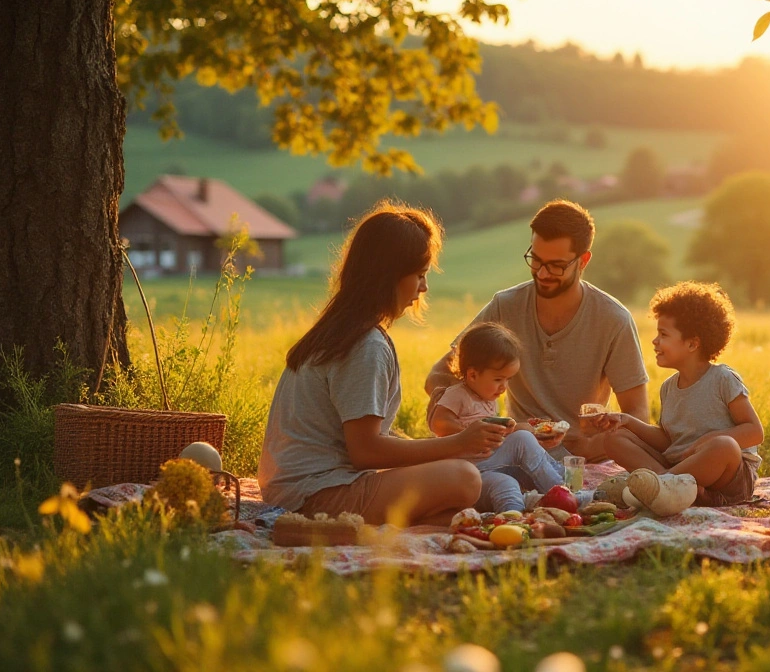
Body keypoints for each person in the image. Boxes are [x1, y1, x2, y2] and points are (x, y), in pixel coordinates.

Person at [258, 201, 502, 526]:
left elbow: (365, 440)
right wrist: (456, 444)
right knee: (466, 479)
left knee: (461, 511)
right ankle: (332, 529)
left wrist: (442, 446)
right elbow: (366, 452)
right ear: (388, 275)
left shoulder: (341, 330)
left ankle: (416, 524)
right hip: (318, 494)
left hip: (291, 489)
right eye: (419, 275)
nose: (424, 288)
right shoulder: (365, 345)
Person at [424, 199, 650, 461]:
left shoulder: (613, 319)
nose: (542, 273)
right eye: (536, 260)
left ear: (583, 261)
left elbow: (637, 414)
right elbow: (440, 374)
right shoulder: (505, 307)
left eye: (556, 265)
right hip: (514, 451)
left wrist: (591, 446)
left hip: (586, 458)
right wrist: (466, 422)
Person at [594, 282, 764, 506]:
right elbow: (669, 441)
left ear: (693, 343)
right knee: (615, 439)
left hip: (727, 477)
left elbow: (755, 431)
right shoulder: (669, 387)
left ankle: (661, 485)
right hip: (682, 467)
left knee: (725, 446)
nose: (655, 341)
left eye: (663, 334)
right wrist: (627, 421)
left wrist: (708, 440)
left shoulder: (722, 379)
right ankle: (671, 488)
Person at [427, 322, 577, 513]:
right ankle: (566, 493)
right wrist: (469, 431)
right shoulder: (457, 394)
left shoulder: (488, 398)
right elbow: (438, 423)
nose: (504, 387)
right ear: (472, 375)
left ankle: (515, 517)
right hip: (465, 468)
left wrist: (513, 430)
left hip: (489, 469)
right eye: (498, 379)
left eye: (508, 379)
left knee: (510, 481)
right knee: (521, 441)